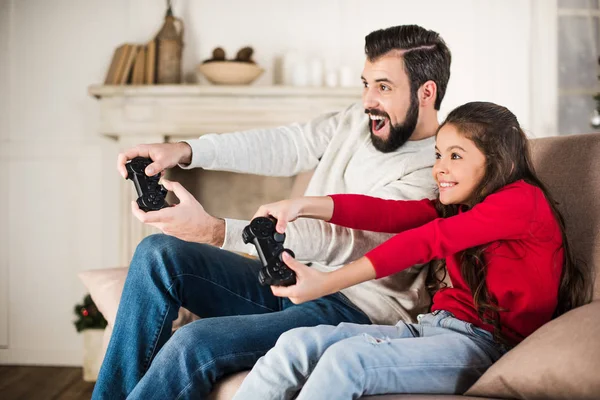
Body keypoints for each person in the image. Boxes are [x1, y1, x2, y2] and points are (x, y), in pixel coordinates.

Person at [92, 24, 452, 399]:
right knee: (158, 254)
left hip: (353, 308)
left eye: (383, 87)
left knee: (193, 342)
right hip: (289, 277)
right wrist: (186, 151)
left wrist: (217, 230)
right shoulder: (358, 122)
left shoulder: (437, 169)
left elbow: (351, 241)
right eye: (365, 84)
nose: (368, 100)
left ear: (426, 92)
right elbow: (288, 143)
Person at [231, 101, 593, 399]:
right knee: (297, 344)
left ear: (500, 161)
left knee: (348, 361)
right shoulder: (464, 205)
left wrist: (325, 282)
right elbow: (388, 213)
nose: (439, 169)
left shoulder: (521, 201)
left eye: (455, 156)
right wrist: (301, 205)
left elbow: (427, 240)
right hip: (434, 327)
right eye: (438, 155)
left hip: (483, 346)